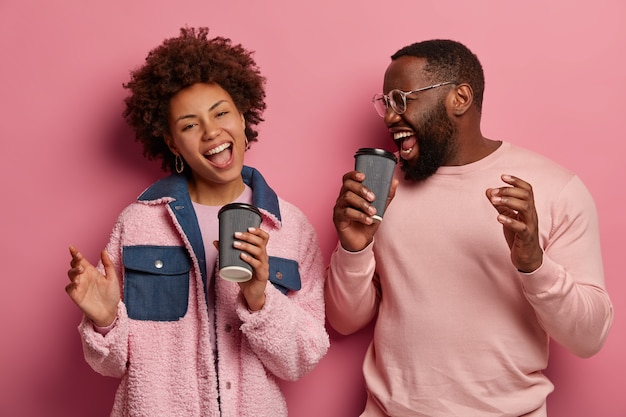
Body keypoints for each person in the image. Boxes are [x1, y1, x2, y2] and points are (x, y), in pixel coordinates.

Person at [325, 39, 613, 417]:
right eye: (385, 102)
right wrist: (354, 249)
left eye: (401, 99)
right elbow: (344, 321)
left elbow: (589, 339)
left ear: (460, 97)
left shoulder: (554, 188)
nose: (389, 117)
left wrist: (533, 264)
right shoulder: (380, 185)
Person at [65, 27, 329, 417]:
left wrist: (259, 297)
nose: (211, 132)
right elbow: (112, 364)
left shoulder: (290, 227)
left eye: (221, 113)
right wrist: (104, 321)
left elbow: (301, 360)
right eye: (189, 125)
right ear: (172, 142)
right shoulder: (139, 222)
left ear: (242, 116)